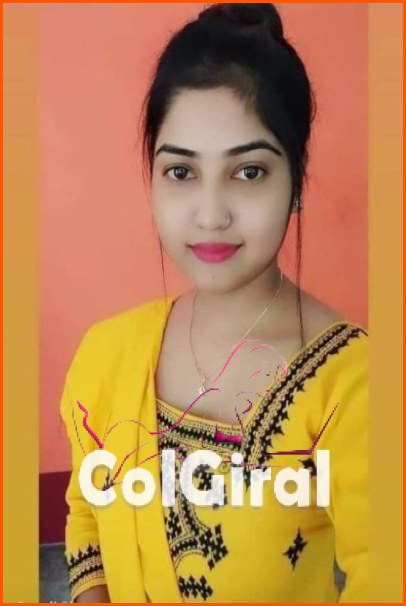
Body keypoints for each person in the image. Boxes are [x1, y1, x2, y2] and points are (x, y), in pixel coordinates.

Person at [59, 3, 368, 603]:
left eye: (248, 172)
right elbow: (87, 511)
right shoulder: (106, 353)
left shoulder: (353, 382)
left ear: (297, 181)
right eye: (181, 172)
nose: (210, 215)